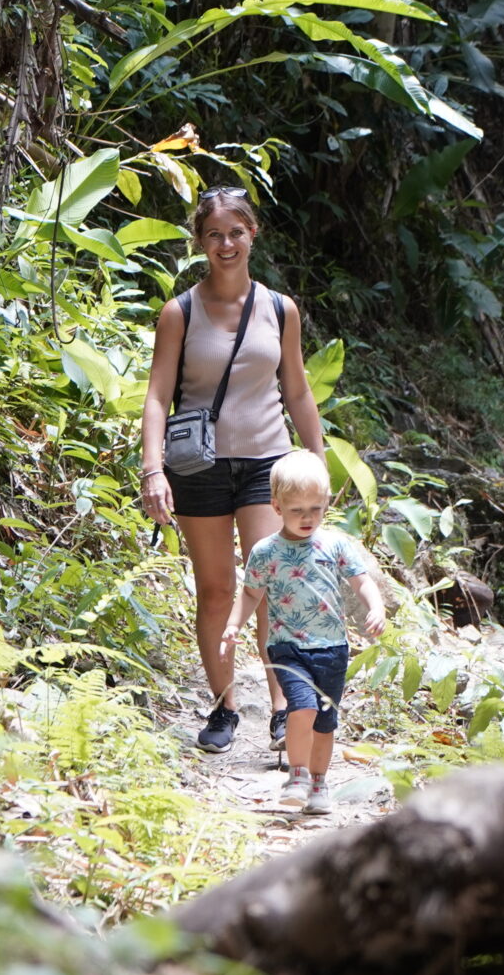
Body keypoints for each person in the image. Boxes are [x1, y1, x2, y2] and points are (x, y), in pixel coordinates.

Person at [138, 188, 326, 753]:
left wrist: (315, 459)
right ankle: (223, 707)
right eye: (214, 234)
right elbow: (156, 396)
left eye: (235, 233)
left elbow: (295, 387)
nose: (226, 244)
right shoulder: (181, 313)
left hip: (268, 464)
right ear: (200, 241)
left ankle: (278, 706)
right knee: (217, 591)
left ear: (253, 234)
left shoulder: (279, 309)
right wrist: (153, 470)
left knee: (268, 584)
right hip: (199, 465)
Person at [218, 451, 387, 813]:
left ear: (326, 502)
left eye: (316, 508)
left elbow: (362, 582)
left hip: (333, 650)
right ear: (276, 507)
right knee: (303, 709)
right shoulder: (266, 552)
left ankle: (319, 782)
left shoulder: (335, 544)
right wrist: (233, 625)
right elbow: (250, 593)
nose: (308, 518)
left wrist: (376, 606)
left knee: (325, 724)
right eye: (297, 510)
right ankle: (297, 775)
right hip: (286, 647)